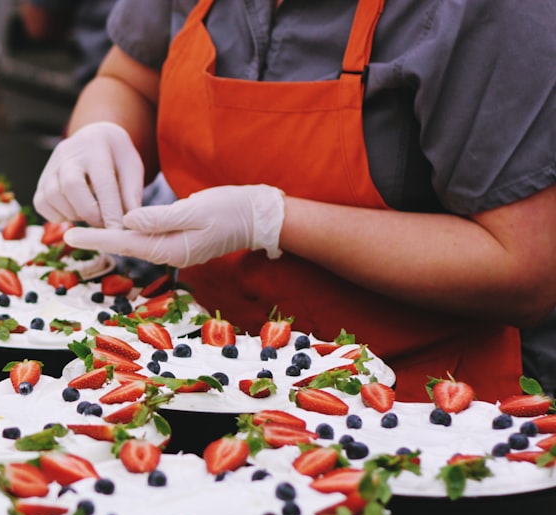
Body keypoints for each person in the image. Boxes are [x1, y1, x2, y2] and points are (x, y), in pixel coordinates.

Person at [33, 0, 556, 402]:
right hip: (193, 370)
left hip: (416, 406)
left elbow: (522, 270)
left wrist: (272, 221)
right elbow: (129, 79)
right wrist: (99, 134)